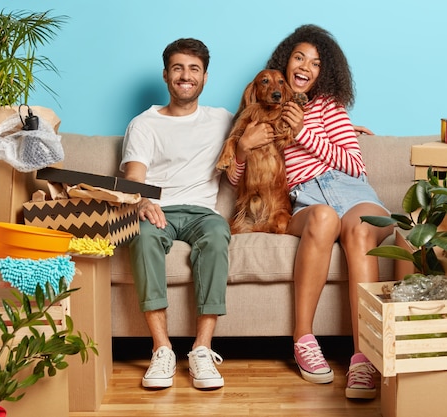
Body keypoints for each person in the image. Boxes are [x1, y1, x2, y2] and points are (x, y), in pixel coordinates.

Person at [228, 25, 393, 400]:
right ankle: (303, 339)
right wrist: (241, 149)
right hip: (305, 199)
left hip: (351, 191)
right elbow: (236, 179)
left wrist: (305, 132)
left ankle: (364, 357)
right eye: (299, 58)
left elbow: (354, 165)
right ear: (285, 63)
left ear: (323, 73)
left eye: (316, 63)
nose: (306, 67)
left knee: (362, 229)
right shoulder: (264, 109)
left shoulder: (329, 107)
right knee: (322, 218)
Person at [120, 38, 239, 390]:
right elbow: (134, 179)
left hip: (204, 213)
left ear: (204, 77)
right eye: (178, 68)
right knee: (140, 235)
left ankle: (202, 350)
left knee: (218, 236)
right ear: (166, 74)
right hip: (160, 210)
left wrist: (343, 132)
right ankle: (162, 350)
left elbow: (270, 129)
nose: (186, 76)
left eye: (194, 69)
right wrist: (142, 202)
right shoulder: (144, 124)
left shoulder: (223, 120)